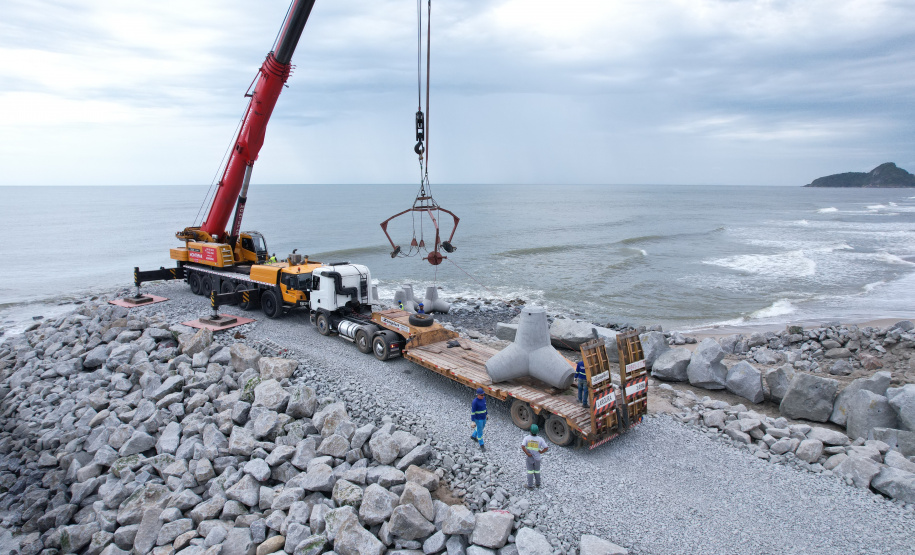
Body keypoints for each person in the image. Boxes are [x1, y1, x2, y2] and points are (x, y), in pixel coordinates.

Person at [521, 424, 549, 488]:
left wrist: (527, 453)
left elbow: (522, 446)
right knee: (537, 471)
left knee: (530, 471)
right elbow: (546, 447)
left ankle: (530, 485)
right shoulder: (540, 439)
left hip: (530, 457)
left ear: (530, 431)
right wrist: (541, 452)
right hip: (537, 458)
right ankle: (538, 484)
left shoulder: (527, 438)